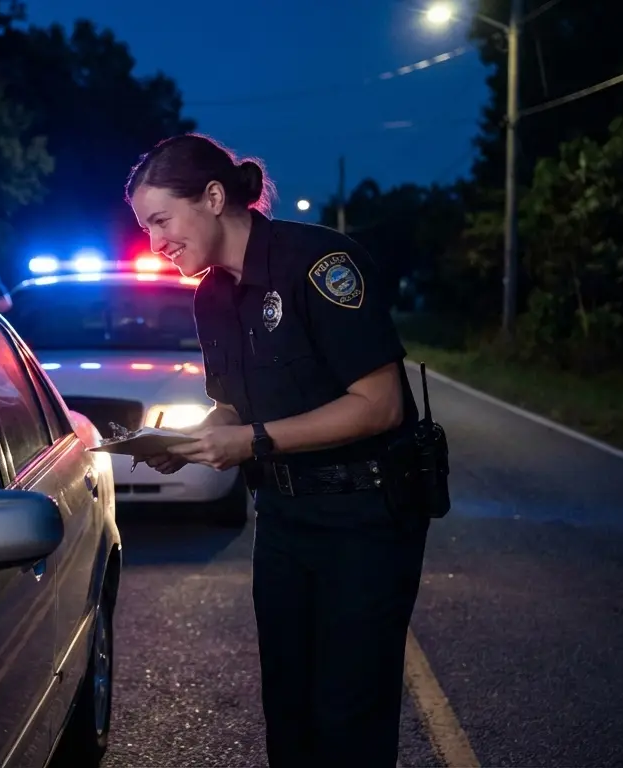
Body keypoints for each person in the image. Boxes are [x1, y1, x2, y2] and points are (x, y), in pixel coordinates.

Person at [126, 133, 431, 767]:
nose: (155, 243)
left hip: (366, 517)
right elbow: (237, 404)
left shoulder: (317, 263)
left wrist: (249, 441)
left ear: (213, 197)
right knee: (287, 711)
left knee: (349, 715)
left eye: (161, 221)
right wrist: (186, 441)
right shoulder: (211, 297)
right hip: (285, 522)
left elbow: (380, 405)